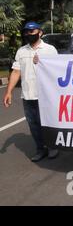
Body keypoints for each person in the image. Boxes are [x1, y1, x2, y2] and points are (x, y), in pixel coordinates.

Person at [3, 22, 59, 162]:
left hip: (45, 96)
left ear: (40, 32)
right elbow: (16, 71)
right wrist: (8, 92)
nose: (29, 34)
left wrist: (42, 62)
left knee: (46, 123)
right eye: (26, 32)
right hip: (28, 95)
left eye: (31, 31)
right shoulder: (21, 51)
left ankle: (52, 147)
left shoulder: (49, 49)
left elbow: (58, 70)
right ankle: (40, 149)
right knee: (33, 125)